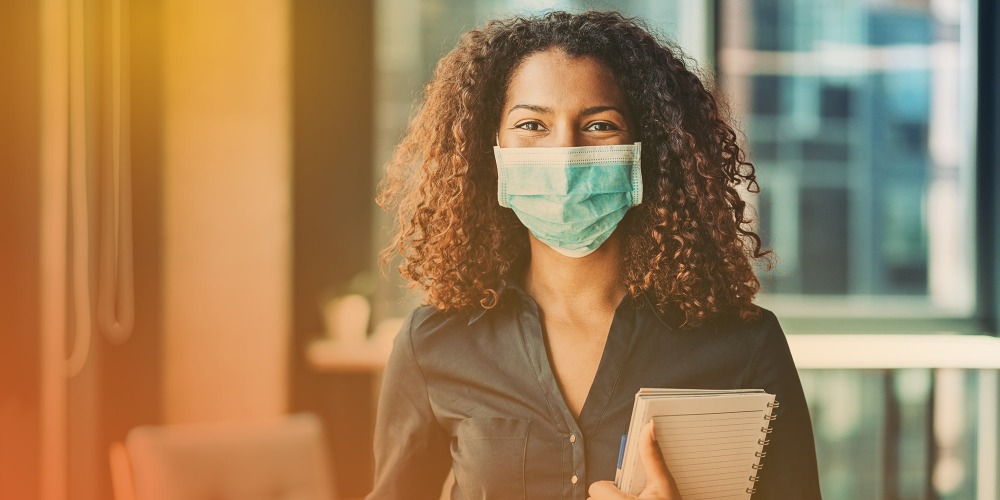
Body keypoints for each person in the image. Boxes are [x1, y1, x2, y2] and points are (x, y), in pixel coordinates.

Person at [369, 10, 822, 500]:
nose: (564, 152)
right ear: (491, 147)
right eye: (532, 124)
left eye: (600, 124)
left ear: (647, 147)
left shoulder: (745, 345)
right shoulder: (433, 343)